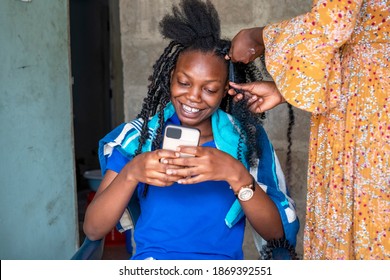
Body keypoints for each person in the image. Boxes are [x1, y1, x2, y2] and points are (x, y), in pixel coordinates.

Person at [83, 0, 299, 260]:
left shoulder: (244, 143)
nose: (193, 97)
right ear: (170, 77)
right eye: (184, 83)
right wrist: (132, 172)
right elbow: (93, 230)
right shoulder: (138, 141)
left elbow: (277, 236)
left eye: (209, 89)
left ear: (227, 90)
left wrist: (236, 174)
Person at [227, 0, 389, 260]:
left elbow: (334, 20)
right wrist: (282, 89)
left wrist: (258, 35)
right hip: (365, 95)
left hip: (370, 115)